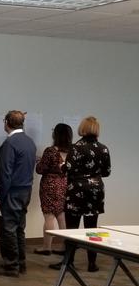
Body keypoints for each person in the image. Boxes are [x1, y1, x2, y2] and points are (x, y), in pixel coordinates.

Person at [50, 116, 111, 272]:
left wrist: (62, 165)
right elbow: (106, 172)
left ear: (82, 129)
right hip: (96, 191)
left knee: (73, 229)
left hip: (76, 190)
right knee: (92, 228)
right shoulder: (103, 148)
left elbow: (67, 169)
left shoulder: (76, 148)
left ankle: (68, 262)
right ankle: (92, 263)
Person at [0, 110, 36, 277]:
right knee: (19, 229)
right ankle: (21, 263)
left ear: (7, 122)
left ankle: (11, 265)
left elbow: (6, 175)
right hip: (26, 191)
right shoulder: (29, 142)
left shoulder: (9, 144)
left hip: (12, 192)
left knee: (8, 229)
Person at [34, 123, 73, 257]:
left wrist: (39, 162)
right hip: (64, 184)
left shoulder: (50, 151)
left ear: (56, 134)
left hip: (49, 186)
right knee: (61, 216)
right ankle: (64, 247)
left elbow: (40, 169)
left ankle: (46, 247)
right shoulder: (72, 151)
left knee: (49, 216)